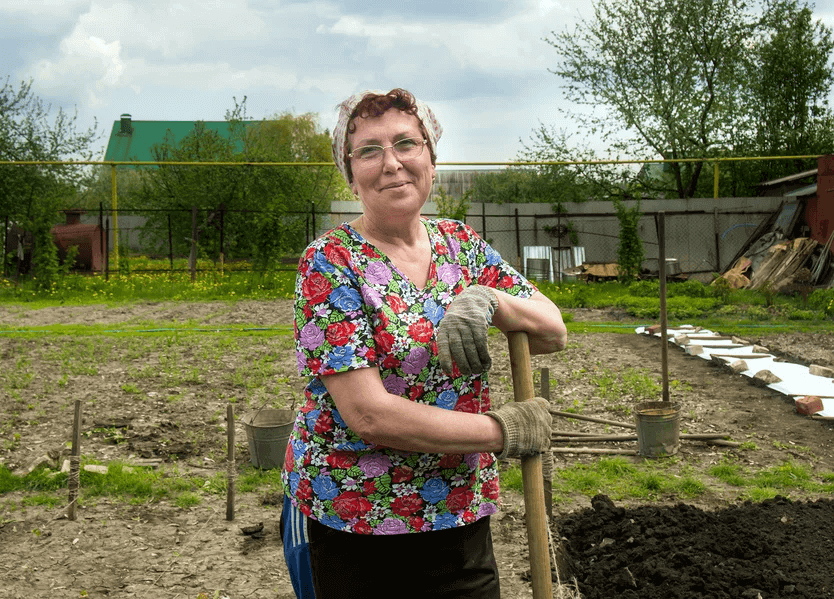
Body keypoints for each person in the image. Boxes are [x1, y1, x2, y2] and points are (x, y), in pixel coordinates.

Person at [280, 88, 567, 599]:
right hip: (355, 520)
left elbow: (552, 330)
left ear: (431, 159)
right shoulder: (330, 261)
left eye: (406, 144)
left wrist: (490, 300)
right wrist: (501, 431)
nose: (391, 163)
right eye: (369, 151)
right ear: (350, 174)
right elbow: (369, 415)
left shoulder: (462, 246)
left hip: (456, 513)